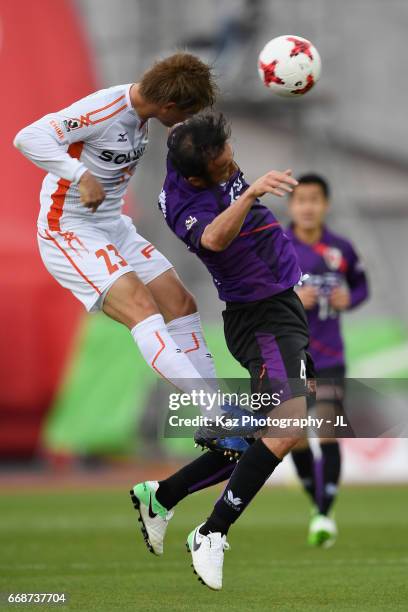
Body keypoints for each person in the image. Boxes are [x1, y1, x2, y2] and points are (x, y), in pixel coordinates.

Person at [132, 112, 315, 590]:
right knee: (290, 419)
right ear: (197, 176)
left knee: (264, 432)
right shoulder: (184, 204)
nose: (234, 168)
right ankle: (211, 532)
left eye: (232, 158)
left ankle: (164, 497)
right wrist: (252, 193)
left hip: (281, 307)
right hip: (260, 319)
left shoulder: (192, 149)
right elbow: (214, 238)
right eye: (225, 166)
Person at [13, 53, 242, 427]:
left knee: (181, 304)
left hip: (113, 226)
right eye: (185, 112)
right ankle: (216, 413)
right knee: (142, 309)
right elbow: (28, 137)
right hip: (68, 229)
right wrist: (79, 174)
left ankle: (218, 414)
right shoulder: (104, 110)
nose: (185, 120)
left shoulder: (144, 117)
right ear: (168, 105)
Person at [287, 174, 369, 547]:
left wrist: (347, 300)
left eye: (314, 199)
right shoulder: (278, 245)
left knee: (327, 429)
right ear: (291, 206)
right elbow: (256, 288)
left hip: (331, 354)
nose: (307, 206)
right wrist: (290, 297)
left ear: (326, 205)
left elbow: (362, 284)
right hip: (290, 354)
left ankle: (323, 514)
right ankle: (319, 506)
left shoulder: (341, 248)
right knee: (296, 439)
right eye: (301, 199)